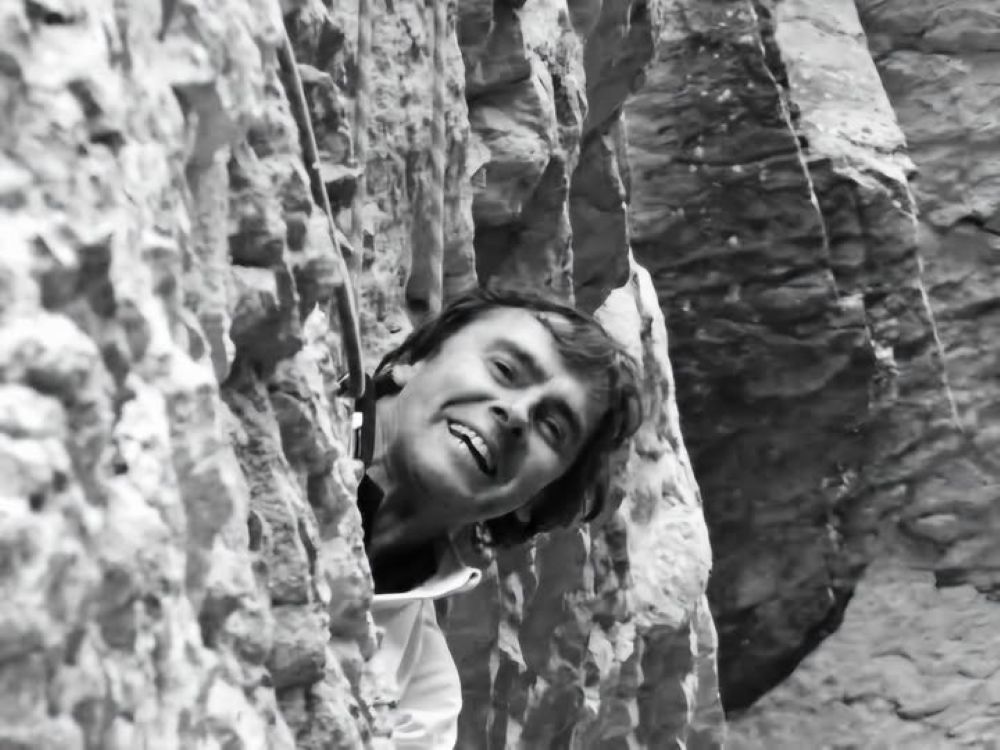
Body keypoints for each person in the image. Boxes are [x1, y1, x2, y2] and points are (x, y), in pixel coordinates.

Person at [352, 288, 642, 748]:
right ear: (413, 360)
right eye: (504, 369)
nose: (517, 414)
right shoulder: (258, 400)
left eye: (553, 428)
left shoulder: (421, 706)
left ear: (536, 499)